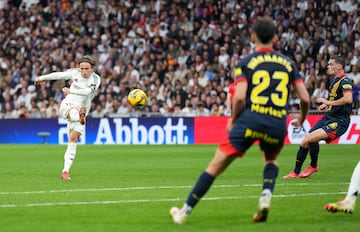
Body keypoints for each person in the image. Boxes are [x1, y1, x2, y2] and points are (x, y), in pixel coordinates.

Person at [169, 17, 310, 224]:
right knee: (270, 160)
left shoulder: (245, 63)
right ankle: (265, 197)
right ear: (276, 38)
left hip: (251, 120)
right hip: (277, 122)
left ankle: (184, 212)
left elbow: (240, 97)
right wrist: (301, 118)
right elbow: (305, 98)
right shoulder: (288, 64)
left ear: (253, 37)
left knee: (216, 165)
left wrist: (233, 120)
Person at [283, 55, 353, 179]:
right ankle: (295, 172)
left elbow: (348, 99)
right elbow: (337, 102)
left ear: (339, 66)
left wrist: (329, 102)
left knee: (311, 139)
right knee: (305, 141)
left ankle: (313, 165)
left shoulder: (345, 81)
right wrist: (327, 107)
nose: (328, 66)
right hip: (328, 117)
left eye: (331, 64)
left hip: (339, 121)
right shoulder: (333, 81)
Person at [34, 55, 101, 180]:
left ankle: (65, 171)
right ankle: (77, 116)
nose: (84, 71)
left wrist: (71, 91)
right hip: (69, 104)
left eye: (87, 69)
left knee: (73, 140)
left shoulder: (96, 79)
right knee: (73, 112)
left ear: (92, 69)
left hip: (83, 108)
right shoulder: (75, 73)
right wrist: (41, 78)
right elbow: (58, 75)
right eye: (82, 68)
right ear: (79, 68)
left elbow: (87, 92)